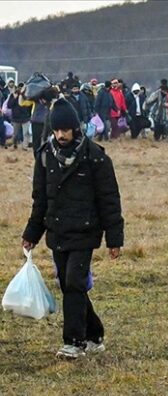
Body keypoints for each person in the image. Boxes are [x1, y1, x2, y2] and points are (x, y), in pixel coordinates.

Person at [21, 99, 124, 360]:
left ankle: (74, 342)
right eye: (56, 130)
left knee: (75, 283)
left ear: (75, 128)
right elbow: (40, 200)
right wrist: (31, 234)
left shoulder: (95, 157)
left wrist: (115, 239)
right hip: (57, 231)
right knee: (69, 286)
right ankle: (95, 333)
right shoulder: (45, 157)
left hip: (85, 231)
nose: (61, 135)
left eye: (65, 130)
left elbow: (109, 199)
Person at [7, 82, 33, 150]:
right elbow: (9, 105)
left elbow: (31, 105)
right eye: (20, 87)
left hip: (26, 117)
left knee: (26, 133)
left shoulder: (27, 95)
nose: (21, 89)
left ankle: (25, 146)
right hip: (16, 118)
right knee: (15, 134)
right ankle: (14, 144)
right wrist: (15, 98)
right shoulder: (13, 95)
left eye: (22, 87)